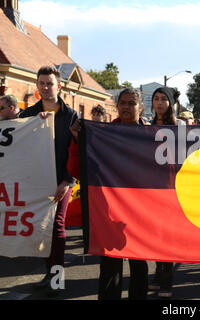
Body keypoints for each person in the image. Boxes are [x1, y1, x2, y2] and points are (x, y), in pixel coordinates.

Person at [68, 88, 149, 300]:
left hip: (140, 213)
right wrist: (78, 141)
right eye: (122, 102)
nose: (126, 107)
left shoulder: (153, 137)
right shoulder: (100, 134)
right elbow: (79, 171)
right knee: (109, 268)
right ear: (116, 106)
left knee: (139, 266)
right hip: (109, 211)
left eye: (131, 103)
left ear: (140, 108)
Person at [19, 66, 78, 295]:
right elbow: (18, 147)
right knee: (41, 228)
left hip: (63, 180)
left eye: (50, 83)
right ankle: (49, 272)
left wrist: (67, 180)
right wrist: (36, 125)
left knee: (58, 225)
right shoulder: (28, 114)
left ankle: (57, 278)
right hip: (37, 181)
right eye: (42, 83)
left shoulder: (71, 115)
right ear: (37, 85)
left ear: (59, 86)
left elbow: (76, 150)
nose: (45, 87)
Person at [149, 86, 181, 298]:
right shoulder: (147, 127)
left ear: (170, 103)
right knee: (155, 234)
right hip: (151, 187)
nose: (159, 103)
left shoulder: (179, 128)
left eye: (163, 99)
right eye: (156, 99)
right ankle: (158, 272)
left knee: (168, 236)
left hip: (172, 188)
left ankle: (167, 280)